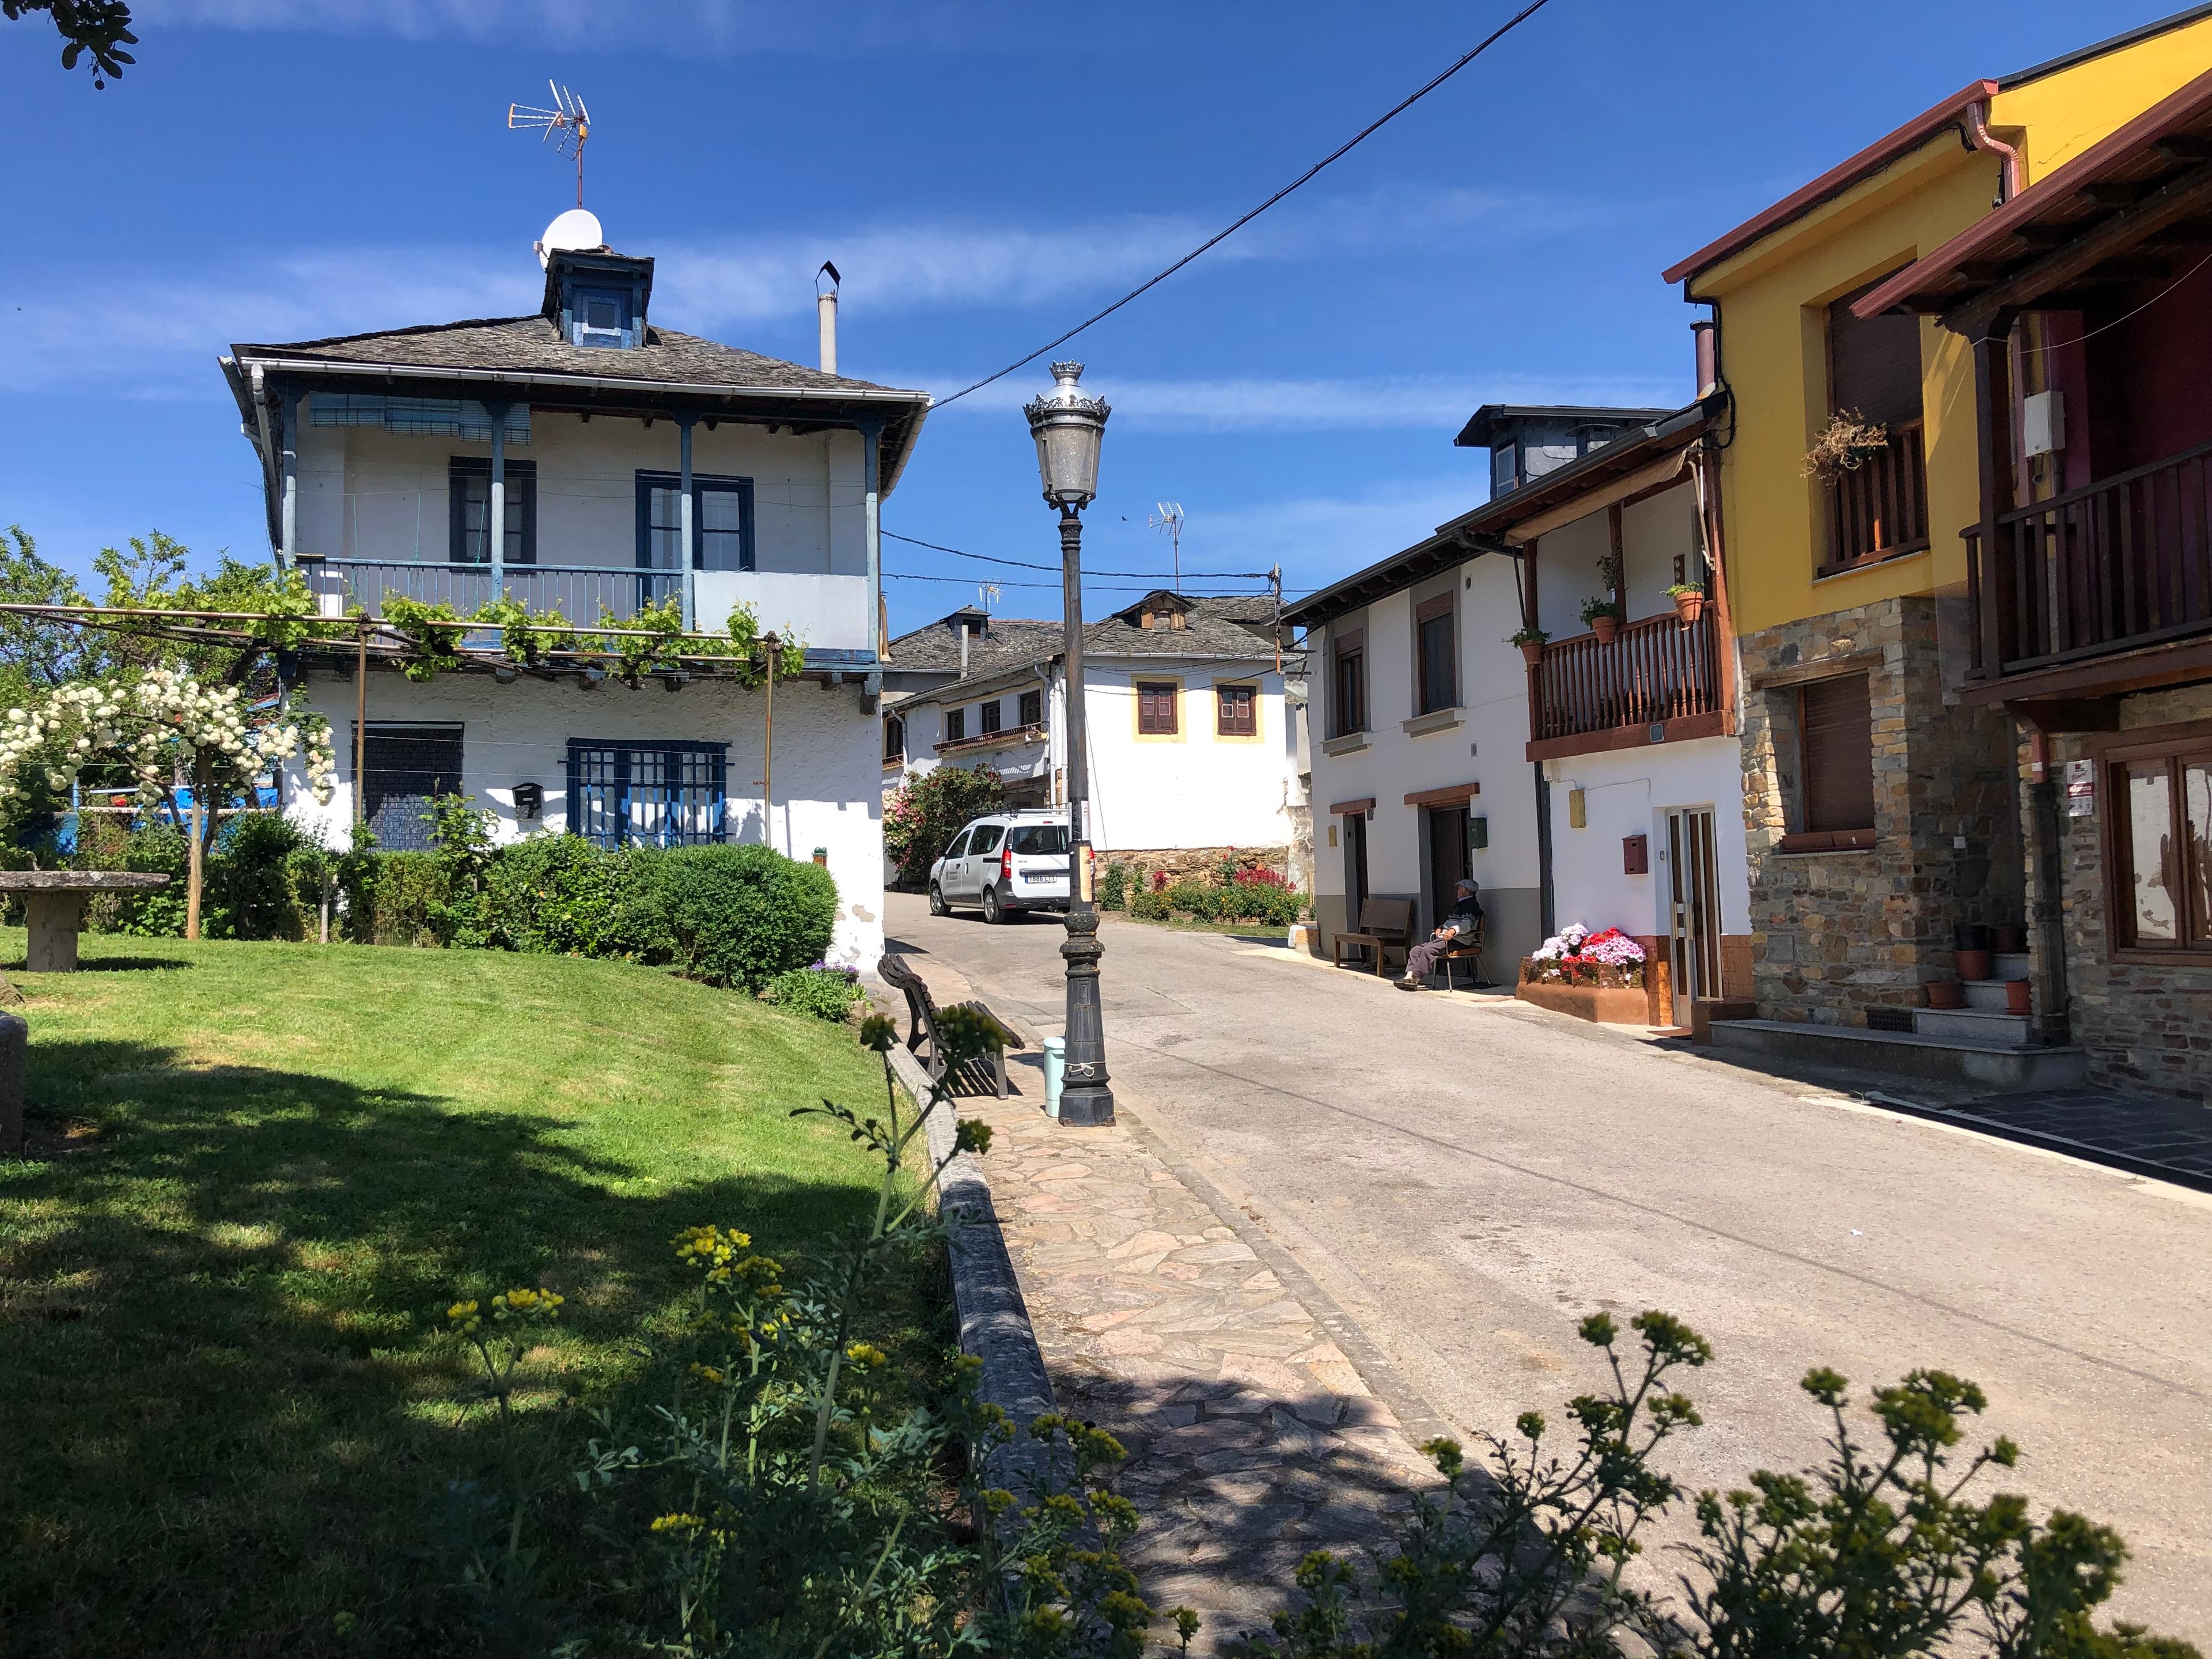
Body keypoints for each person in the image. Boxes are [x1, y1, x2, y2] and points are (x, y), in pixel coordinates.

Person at [1397, 877, 1483, 990]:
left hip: (1457, 941)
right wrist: (1442, 928)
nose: (1457, 891)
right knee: (1415, 950)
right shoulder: (1460, 904)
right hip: (1445, 939)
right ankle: (1408, 978)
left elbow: (1466, 925)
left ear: (1466, 891)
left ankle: (1415, 979)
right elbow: (1452, 922)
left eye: (1459, 888)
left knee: (1427, 950)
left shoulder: (1472, 906)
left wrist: (1452, 931)